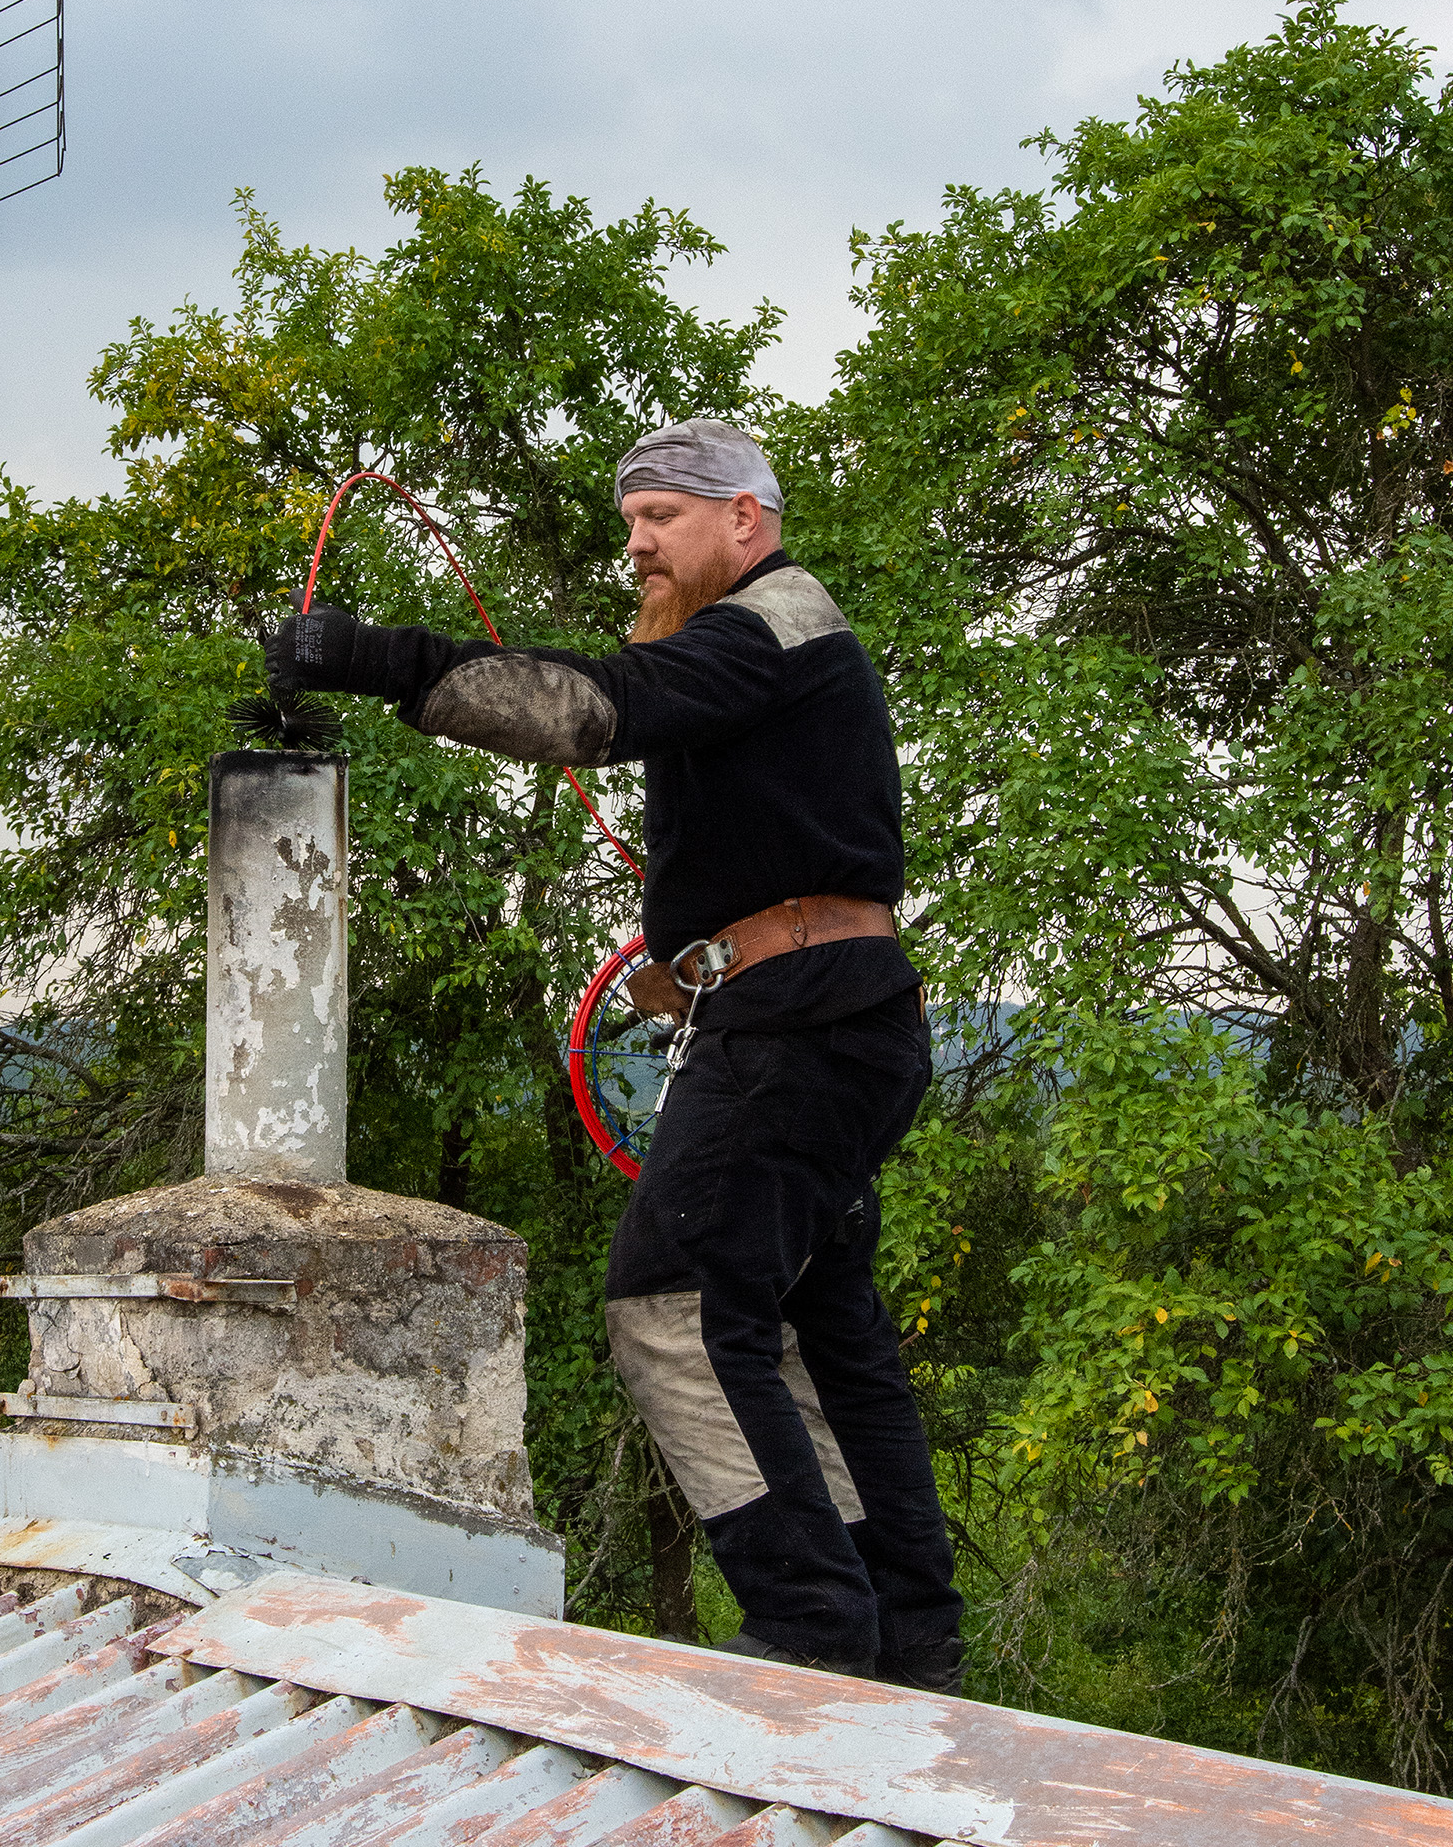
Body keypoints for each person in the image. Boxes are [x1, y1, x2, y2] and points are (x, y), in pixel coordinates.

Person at [268, 416, 963, 1688]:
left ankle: (811, 1623)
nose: (636, 544)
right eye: (631, 521)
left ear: (743, 520)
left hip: (802, 1029)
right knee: (811, 1324)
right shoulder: (774, 644)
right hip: (829, 1019)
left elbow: (597, 707)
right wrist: (692, 963)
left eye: (661, 518)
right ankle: (904, 1632)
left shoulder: (767, 625)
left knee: (673, 1304)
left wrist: (375, 658)